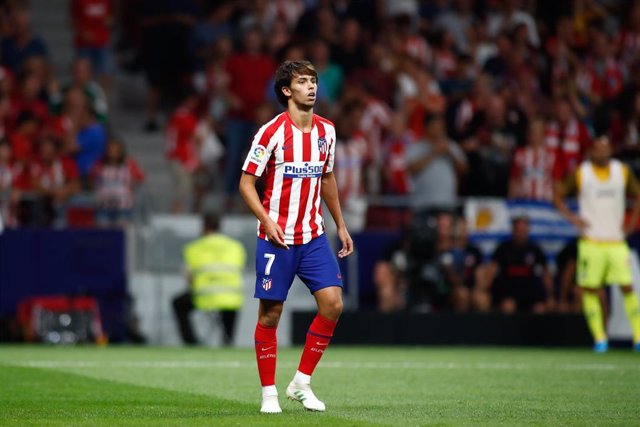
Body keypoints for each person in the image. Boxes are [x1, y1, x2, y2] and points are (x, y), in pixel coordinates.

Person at [238, 60, 353, 414]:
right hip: (277, 239)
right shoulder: (270, 133)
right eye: (303, 82)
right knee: (271, 315)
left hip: (314, 236)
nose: (311, 87)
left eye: (314, 81)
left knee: (333, 304)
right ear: (287, 91)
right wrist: (266, 222)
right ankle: (268, 393)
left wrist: (341, 224)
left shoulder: (327, 132)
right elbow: (246, 183)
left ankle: (301, 382)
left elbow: (327, 178)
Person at [553, 135, 640, 352]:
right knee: (589, 289)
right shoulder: (582, 173)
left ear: (611, 149)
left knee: (627, 286)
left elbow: (638, 195)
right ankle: (600, 337)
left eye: (606, 147)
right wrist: (573, 218)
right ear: (591, 151)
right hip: (591, 241)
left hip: (616, 241)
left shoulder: (622, 172)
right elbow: (557, 195)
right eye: (598, 148)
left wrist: (631, 223)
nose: (602, 151)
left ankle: (638, 335)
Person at [172, 213, 246, 347]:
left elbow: (190, 278)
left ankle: (191, 342)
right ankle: (228, 340)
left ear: (204, 227)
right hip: (231, 297)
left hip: (204, 296)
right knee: (230, 303)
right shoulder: (236, 247)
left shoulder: (193, 248)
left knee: (178, 303)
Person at [485, 216, 554, 314]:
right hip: (509, 294)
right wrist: (487, 291)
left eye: (524, 230)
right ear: (513, 230)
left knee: (540, 309)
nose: (521, 233)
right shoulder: (503, 249)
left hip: (531, 295)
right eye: (519, 230)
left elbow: (546, 274)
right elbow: (491, 270)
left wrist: (550, 296)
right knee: (508, 307)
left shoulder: (535, 250)